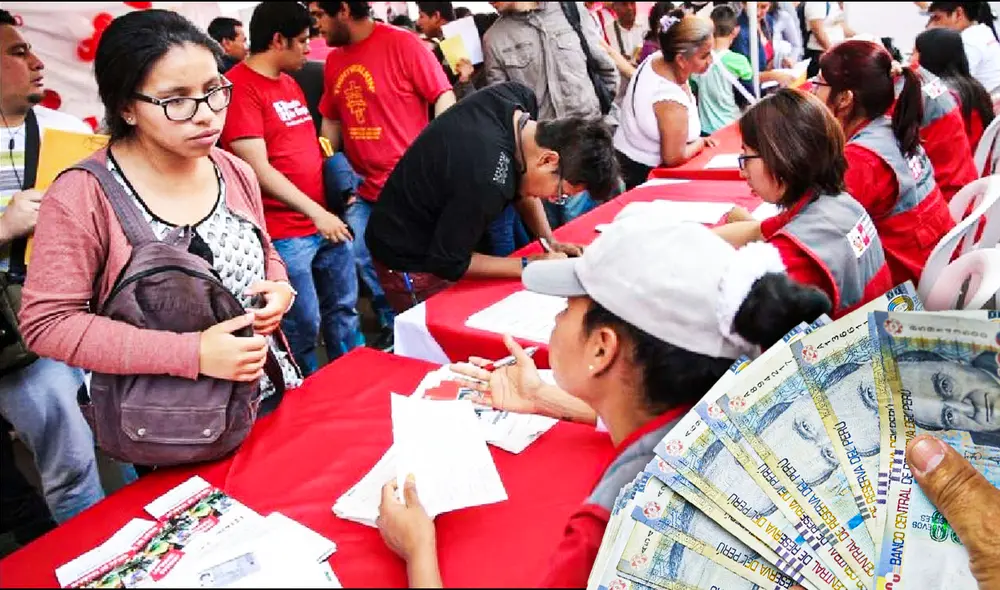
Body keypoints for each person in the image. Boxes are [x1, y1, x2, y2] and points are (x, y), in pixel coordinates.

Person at [375, 216, 832, 588]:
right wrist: (542, 398)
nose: (555, 316)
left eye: (569, 305)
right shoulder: (739, 415)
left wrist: (418, 550)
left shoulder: (612, 526)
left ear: (602, 348)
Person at [19, 9, 300, 435]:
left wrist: (279, 287)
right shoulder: (84, 195)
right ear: (127, 107)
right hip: (171, 424)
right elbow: (48, 324)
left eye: (213, 90)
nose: (206, 114)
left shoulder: (230, 168)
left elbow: (264, 251)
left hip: (269, 391)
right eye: (177, 100)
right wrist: (192, 353)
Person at [0, 8, 113, 525]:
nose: (37, 62)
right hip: (20, 338)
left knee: (124, 436)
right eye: (18, 52)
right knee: (68, 464)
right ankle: (92, 563)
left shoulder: (68, 130)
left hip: (93, 312)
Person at [365, 82, 616, 311]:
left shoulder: (518, 100)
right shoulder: (486, 179)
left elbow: (523, 179)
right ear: (549, 159)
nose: (552, 199)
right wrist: (530, 265)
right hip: (409, 257)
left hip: (446, 228)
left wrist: (549, 241)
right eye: (560, 193)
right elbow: (449, 262)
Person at [222, 2, 361, 374]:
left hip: (323, 220)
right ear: (277, 39)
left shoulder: (289, 82)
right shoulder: (240, 89)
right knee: (302, 327)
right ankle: (308, 391)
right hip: (284, 233)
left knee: (343, 311)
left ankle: (353, 376)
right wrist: (316, 213)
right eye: (301, 41)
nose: (307, 49)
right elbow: (258, 168)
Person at [309, 0, 455, 335]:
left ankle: (436, 323)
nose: (317, 26)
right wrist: (328, 164)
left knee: (421, 262)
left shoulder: (404, 44)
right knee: (364, 258)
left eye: (320, 15)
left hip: (410, 185)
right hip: (361, 187)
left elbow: (443, 96)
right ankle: (394, 323)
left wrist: (440, 155)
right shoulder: (334, 61)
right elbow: (331, 121)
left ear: (342, 9)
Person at [716, 88, 894, 318]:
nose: (743, 173)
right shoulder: (837, 202)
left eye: (747, 158)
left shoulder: (790, 261)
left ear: (781, 157)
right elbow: (757, 229)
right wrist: (691, 237)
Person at [809, 40, 955, 286]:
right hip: (932, 266)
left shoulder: (862, 160)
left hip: (901, 293)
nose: (812, 92)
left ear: (844, 98)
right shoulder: (891, 128)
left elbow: (817, 231)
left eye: (818, 84)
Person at [484, 2, 618, 227]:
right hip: (543, 167)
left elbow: (605, 70)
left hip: (588, 155)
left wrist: (600, 127)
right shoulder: (495, 38)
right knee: (562, 241)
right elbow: (502, 108)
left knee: (601, 231)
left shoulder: (571, 11)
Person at [614, 16, 716, 189]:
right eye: (704, 56)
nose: (711, 61)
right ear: (681, 60)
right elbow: (673, 157)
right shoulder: (669, 98)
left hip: (627, 157)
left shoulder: (657, 58)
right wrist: (699, 143)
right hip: (645, 176)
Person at [914, 27, 996, 151]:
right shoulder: (975, 86)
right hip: (978, 160)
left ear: (929, 56)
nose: (911, 58)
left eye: (915, 52)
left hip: (951, 159)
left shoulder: (936, 92)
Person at [691, 5, 754, 135]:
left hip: (704, 131)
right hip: (731, 128)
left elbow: (694, 93)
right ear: (735, 31)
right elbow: (745, 99)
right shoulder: (740, 62)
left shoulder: (697, 61)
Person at [927, 1, 1000, 94]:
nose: (930, 26)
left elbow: (952, 85)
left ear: (958, 14)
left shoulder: (968, 42)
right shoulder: (983, 30)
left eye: (937, 18)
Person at [416, 2, 478, 101]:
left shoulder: (464, 44)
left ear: (436, 16)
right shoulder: (441, 47)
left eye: (421, 16)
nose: (418, 22)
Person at [801, 1, 854, 78]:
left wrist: (862, 38)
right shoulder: (817, 3)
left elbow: (841, 26)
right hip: (820, 53)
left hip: (832, 53)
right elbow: (817, 30)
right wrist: (831, 51)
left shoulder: (833, 4)